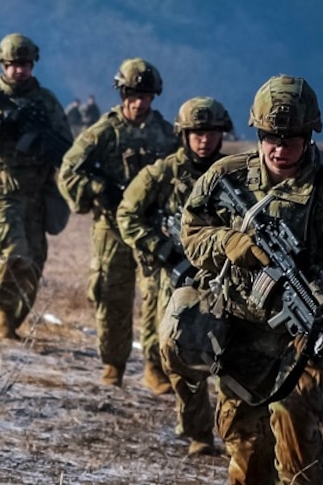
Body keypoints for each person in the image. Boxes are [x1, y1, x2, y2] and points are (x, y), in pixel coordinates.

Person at [180, 74, 323, 484]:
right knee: (245, 443)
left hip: (306, 338)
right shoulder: (227, 176)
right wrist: (226, 242)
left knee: (293, 424)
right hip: (241, 330)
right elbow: (192, 233)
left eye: (292, 139)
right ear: (258, 133)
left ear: (309, 136)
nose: (280, 149)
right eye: (272, 137)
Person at [117, 96, 233, 456]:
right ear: (183, 135)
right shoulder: (161, 173)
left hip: (226, 281)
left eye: (211, 132)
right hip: (173, 280)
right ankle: (199, 432)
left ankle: (239, 437)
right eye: (197, 133)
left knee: (233, 359)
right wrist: (162, 249)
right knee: (179, 356)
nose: (204, 140)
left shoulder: (235, 176)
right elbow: (127, 214)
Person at [58, 58, 178, 389]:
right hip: (111, 229)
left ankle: (154, 366)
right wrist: (98, 189)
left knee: (158, 298)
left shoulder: (166, 135)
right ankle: (114, 364)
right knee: (111, 297)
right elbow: (68, 172)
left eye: (146, 97)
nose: (139, 103)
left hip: (153, 229)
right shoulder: (103, 133)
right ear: (123, 94)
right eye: (134, 96)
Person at [0, 33, 73, 340]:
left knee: (35, 259)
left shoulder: (45, 102)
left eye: (25, 64)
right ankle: (2, 313)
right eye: (12, 64)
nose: (19, 70)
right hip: (1, 186)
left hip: (37, 189)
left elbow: (66, 146)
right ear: (2, 64)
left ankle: (14, 318)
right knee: (14, 251)